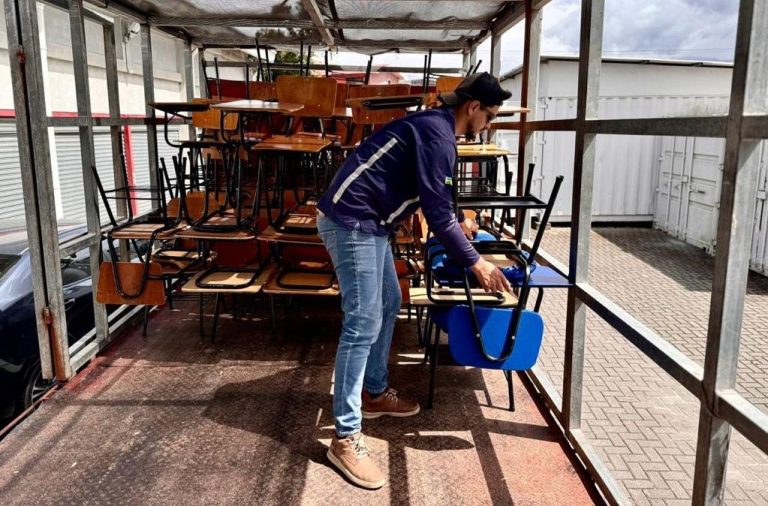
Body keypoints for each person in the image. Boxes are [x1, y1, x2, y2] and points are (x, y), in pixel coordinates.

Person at [316, 72, 513, 489]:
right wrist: (477, 264)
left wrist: (460, 224)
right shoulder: (437, 134)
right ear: (473, 107)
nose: (489, 125)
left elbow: (437, 198)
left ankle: (373, 393)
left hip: (371, 223)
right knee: (362, 322)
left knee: (389, 302)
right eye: (491, 115)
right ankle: (345, 437)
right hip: (352, 220)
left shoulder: (438, 129)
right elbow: (437, 214)